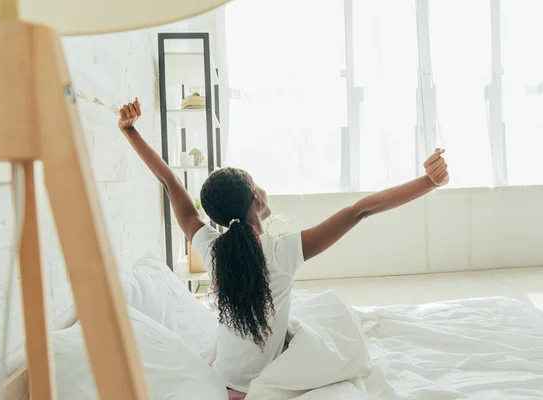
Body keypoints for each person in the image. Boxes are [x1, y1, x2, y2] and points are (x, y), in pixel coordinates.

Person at [117, 98, 449, 393]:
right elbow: (358, 211)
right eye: (254, 183)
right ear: (255, 198)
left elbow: (170, 181)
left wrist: (129, 130)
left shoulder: (210, 247)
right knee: (335, 321)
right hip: (263, 384)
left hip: (224, 379)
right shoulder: (283, 251)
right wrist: (428, 183)